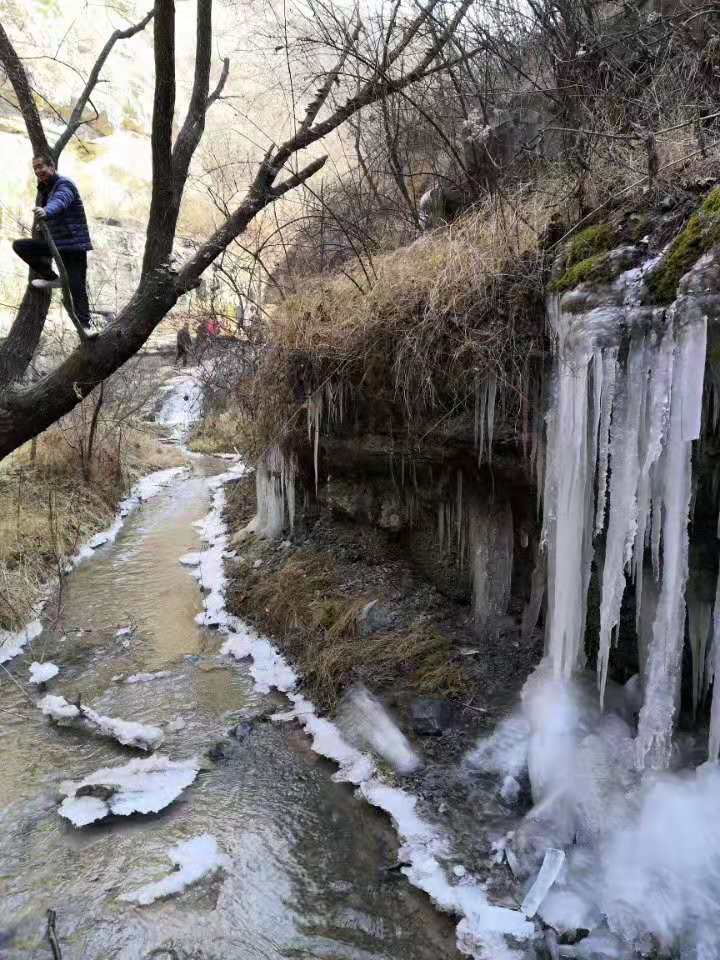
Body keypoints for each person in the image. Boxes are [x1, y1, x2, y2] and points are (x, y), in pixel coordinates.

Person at [12, 154, 96, 338]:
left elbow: (61, 201)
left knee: (77, 286)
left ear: (52, 166)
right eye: (35, 168)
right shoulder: (45, 189)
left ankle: (86, 326)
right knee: (20, 246)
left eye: (40, 166)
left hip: (73, 245)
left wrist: (46, 211)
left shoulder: (64, 184)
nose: (37, 171)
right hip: (56, 244)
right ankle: (53, 278)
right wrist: (41, 224)